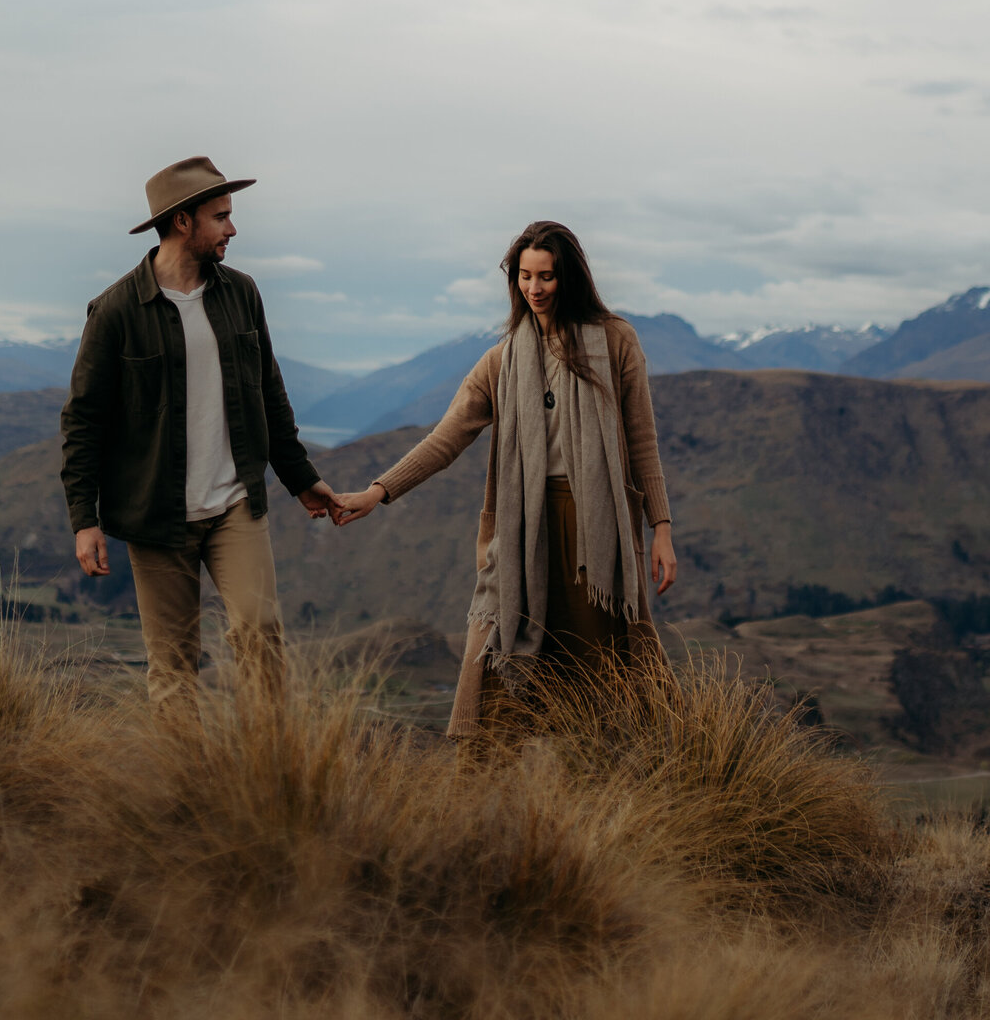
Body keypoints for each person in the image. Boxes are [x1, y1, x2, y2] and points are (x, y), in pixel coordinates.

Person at [334, 221, 677, 739]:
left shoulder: (615, 342)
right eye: (524, 277)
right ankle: (482, 783)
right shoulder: (502, 360)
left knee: (599, 666)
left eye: (547, 277)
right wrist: (378, 492)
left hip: (595, 533)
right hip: (524, 531)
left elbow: (642, 442)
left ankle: (613, 781)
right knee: (498, 650)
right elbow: (445, 439)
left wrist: (662, 529)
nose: (535, 289)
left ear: (572, 278)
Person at [60, 154, 341, 706]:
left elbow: (269, 392)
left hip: (235, 502)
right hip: (156, 514)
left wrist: (300, 476)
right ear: (183, 221)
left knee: (259, 634)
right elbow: (83, 420)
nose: (233, 228)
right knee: (172, 666)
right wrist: (83, 520)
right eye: (221, 216)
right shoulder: (116, 311)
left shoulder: (242, 293)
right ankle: (185, 790)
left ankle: (269, 776)